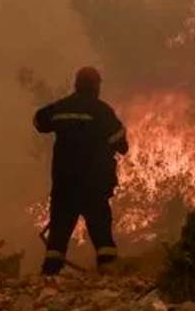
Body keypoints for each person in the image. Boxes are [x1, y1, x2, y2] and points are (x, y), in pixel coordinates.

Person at [33, 66, 128, 275]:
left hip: (64, 183)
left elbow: (39, 120)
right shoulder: (101, 111)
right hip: (93, 184)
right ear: (96, 86)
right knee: (101, 229)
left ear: (77, 84)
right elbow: (121, 143)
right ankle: (108, 272)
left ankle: (49, 275)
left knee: (59, 231)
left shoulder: (62, 108)